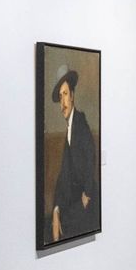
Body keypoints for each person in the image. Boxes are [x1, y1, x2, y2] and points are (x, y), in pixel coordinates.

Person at [48, 66, 98, 243]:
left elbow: (91, 155)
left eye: (66, 94)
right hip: (72, 202)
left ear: (73, 95)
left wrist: (87, 194)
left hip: (86, 202)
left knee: (65, 231)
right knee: (53, 227)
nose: (63, 103)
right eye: (60, 97)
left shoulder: (80, 121)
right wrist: (56, 210)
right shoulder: (69, 128)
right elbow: (63, 175)